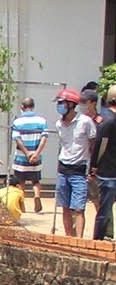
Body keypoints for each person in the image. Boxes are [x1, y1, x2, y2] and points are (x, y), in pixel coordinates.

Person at [54, 89, 96, 237]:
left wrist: (92, 167)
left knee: (78, 208)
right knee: (65, 207)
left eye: (62, 103)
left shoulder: (85, 122)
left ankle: (79, 240)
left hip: (79, 170)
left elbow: (93, 144)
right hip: (63, 169)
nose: (59, 106)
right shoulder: (59, 124)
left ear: (71, 104)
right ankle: (69, 238)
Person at [9, 98, 48, 213]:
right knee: (35, 180)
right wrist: (36, 154)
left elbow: (17, 139)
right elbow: (44, 138)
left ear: (22, 106)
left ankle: (22, 203)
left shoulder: (18, 122)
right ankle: (36, 196)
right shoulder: (41, 121)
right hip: (36, 157)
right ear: (33, 106)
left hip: (21, 157)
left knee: (20, 181)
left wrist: (26, 153)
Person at [94, 91, 116, 241]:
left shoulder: (107, 120)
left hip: (108, 172)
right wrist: (95, 164)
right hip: (108, 172)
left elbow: (100, 145)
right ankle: (99, 239)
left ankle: (102, 238)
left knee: (105, 208)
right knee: (105, 210)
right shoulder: (109, 120)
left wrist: (94, 164)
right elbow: (101, 145)